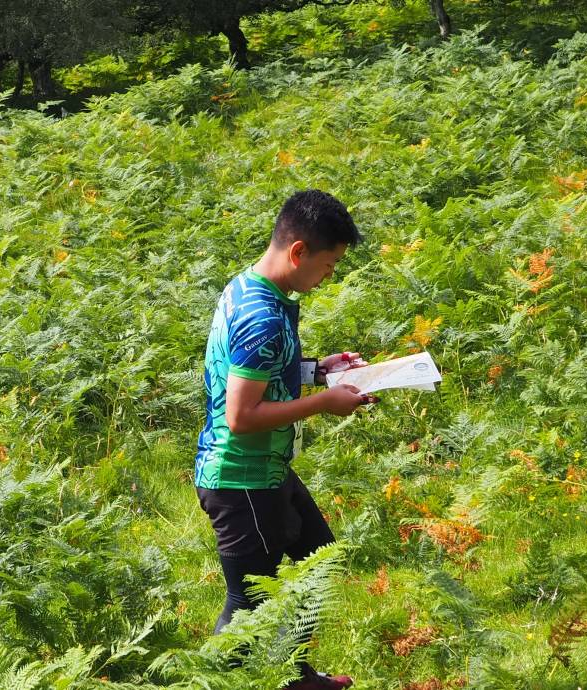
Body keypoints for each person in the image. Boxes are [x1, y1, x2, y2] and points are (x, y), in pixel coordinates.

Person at [195, 190, 372, 689]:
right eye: (330, 263)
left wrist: (320, 372)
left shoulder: (253, 289)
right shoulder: (263, 317)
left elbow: (258, 374)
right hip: (239, 477)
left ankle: (295, 678)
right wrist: (323, 403)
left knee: (318, 562)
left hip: (266, 467)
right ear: (299, 252)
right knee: (248, 606)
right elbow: (242, 416)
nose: (330, 275)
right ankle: (205, 682)